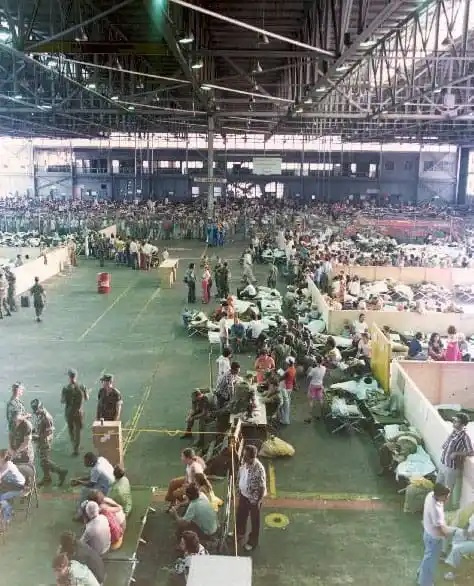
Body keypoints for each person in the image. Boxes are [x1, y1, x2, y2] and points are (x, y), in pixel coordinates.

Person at [417, 483, 453, 586]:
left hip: (427, 533)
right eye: (446, 497)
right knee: (430, 562)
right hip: (434, 538)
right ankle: (425, 583)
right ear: (441, 496)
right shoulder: (435, 511)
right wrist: (448, 534)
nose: (448, 498)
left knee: (427, 557)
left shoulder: (431, 495)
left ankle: (420, 573)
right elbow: (441, 530)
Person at [236, 444, 267, 552]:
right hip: (244, 495)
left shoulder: (259, 469)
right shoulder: (245, 463)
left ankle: (252, 542)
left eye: (246, 456)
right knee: (240, 515)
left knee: (254, 521)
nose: (243, 457)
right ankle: (240, 532)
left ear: (252, 457)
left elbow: (262, 487)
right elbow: (241, 475)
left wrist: (258, 501)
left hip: (253, 499)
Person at [31, 399, 68, 487]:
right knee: (43, 461)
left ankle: (61, 472)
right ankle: (47, 478)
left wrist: (36, 437)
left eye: (36, 410)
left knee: (44, 461)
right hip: (40, 441)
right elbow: (39, 427)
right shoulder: (40, 415)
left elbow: (49, 432)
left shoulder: (46, 417)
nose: (35, 412)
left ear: (41, 407)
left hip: (45, 442)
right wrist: (33, 431)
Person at [437, 413, 473, 497]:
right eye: (454, 420)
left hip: (451, 467)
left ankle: (445, 508)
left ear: (463, 424)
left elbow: (471, 452)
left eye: (456, 421)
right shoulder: (453, 432)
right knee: (438, 486)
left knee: (446, 491)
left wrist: (456, 453)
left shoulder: (464, 437)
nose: (454, 422)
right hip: (443, 463)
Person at [71, 452, 115, 518]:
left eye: (86, 462)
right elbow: (93, 476)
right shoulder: (101, 459)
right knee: (87, 489)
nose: (84, 463)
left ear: (91, 462)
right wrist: (79, 479)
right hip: (111, 483)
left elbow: (91, 484)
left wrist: (79, 482)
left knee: (85, 491)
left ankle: (80, 513)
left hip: (106, 488)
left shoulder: (96, 469)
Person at [61, 369, 89, 456]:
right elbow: (87, 398)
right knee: (78, 430)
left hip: (69, 412)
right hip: (79, 411)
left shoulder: (66, 388)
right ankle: (77, 446)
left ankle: (74, 446)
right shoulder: (82, 386)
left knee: (71, 430)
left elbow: (62, 401)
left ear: (69, 377)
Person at [443, 511, 474, 580]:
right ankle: (443, 554)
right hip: (467, 535)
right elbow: (468, 524)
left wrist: (469, 534)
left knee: (457, 549)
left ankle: (455, 573)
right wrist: (464, 532)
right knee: (447, 530)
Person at [0, 449, 26, 522]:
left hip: (18, 486)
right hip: (10, 483)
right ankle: (6, 509)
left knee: (1, 497)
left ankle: (9, 513)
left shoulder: (7, 465)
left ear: (2, 458)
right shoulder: (3, 463)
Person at [6, 382, 28, 449]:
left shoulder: (13, 402)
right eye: (21, 390)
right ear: (18, 390)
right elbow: (17, 418)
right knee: (20, 455)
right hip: (18, 435)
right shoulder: (14, 403)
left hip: (17, 433)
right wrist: (27, 416)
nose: (22, 391)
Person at [305, 356, 326, 423]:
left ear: (316, 361)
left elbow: (308, 376)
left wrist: (309, 369)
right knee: (320, 400)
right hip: (320, 385)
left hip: (313, 385)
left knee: (311, 401)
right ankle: (320, 415)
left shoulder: (313, 369)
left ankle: (309, 417)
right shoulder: (324, 368)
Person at [278, 356, 297, 425]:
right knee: (287, 403)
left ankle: (285, 420)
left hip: (285, 388)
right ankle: (284, 418)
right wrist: (295, 386)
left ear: (288, 363)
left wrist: (279, 373)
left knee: (284, 405)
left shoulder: (288, 371)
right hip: (290, 388)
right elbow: (294, 379)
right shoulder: (294, 369)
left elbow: (281, 378)